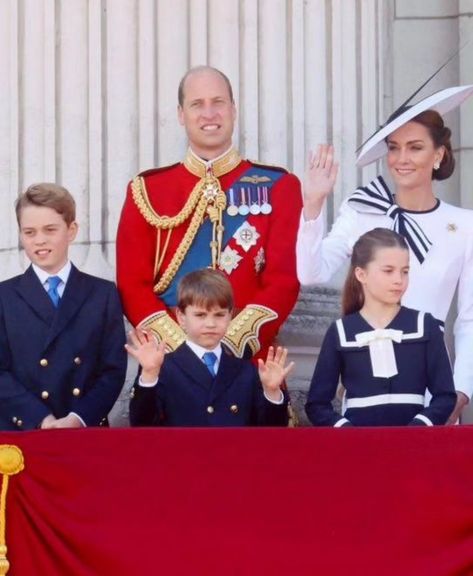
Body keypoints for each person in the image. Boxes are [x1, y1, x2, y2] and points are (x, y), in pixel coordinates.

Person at [297, 86, 473, 423]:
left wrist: (459, 393)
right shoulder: (363, 210)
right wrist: (313, 206)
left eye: (415, 148)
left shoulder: (464, 226)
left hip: (433, 386)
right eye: (394, 148)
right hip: (366, 381)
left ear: (438, 155)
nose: (401, 159)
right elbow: (310, 273)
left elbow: (469, 320)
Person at [116, 66, 302, 361]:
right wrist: (183, 351)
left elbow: (283, 281)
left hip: (248, 366)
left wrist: (228, 347)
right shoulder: (147, 191)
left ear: (233, 109)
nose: (209, 113)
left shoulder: (280, 187)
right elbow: (132, 284)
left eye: (218, 102)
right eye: (197, 104)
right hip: (170, 365)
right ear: (181, 114)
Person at [0, 183, 127, 430]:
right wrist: (41, 418)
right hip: (23, 429)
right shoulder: (4, 296)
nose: (39, 241)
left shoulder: (102, 294)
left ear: (71, 230)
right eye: (29, 232)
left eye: (50, 230)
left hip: (84, 429)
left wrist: (78, 418)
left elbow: (112, 370)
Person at [305, 228, 456, 427]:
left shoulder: (424, 325)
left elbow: (445, 396)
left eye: (405, 271)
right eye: (388, 271)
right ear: (361, 274)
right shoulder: (341, 332)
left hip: (414, 449)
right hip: (359, 451)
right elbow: (317, 404)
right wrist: (347, 431)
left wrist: (419, 427)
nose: (398, 280)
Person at [127, 269, 293, 427]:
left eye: (219, 315)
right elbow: (142, 425)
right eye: (200, 315)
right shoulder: (162, 367)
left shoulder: (246, 370)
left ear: (230, 316)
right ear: (181, 317)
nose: (211, 324)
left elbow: (270, 434)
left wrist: (272, 393)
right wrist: (148, 376)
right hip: (181, 455)